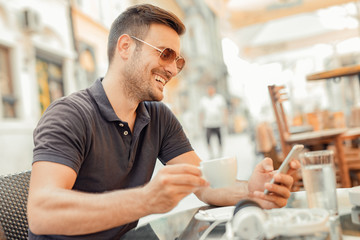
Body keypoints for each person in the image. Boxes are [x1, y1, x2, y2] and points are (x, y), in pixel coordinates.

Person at [27, 4, 300, 239]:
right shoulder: (69, 114)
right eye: (165, 53)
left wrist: (253, 191)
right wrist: (145, 200)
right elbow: (41, 213)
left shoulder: (158, 116)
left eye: (178, 61)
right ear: (125, 46)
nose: (172, 69)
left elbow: (204, 185)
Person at [200, 85, 227, 158]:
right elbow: (201, 112)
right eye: (209, 90)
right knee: (208, 139)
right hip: (208, 123)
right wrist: (201, 122)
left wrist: (224, 119)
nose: (210, 92)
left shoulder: (219, 98)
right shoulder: (204, 100)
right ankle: (211, 153)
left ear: (214, 90)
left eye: (212, 90)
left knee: (220, 138)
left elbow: (224, 109)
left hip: (218, 123)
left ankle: (220, 152)